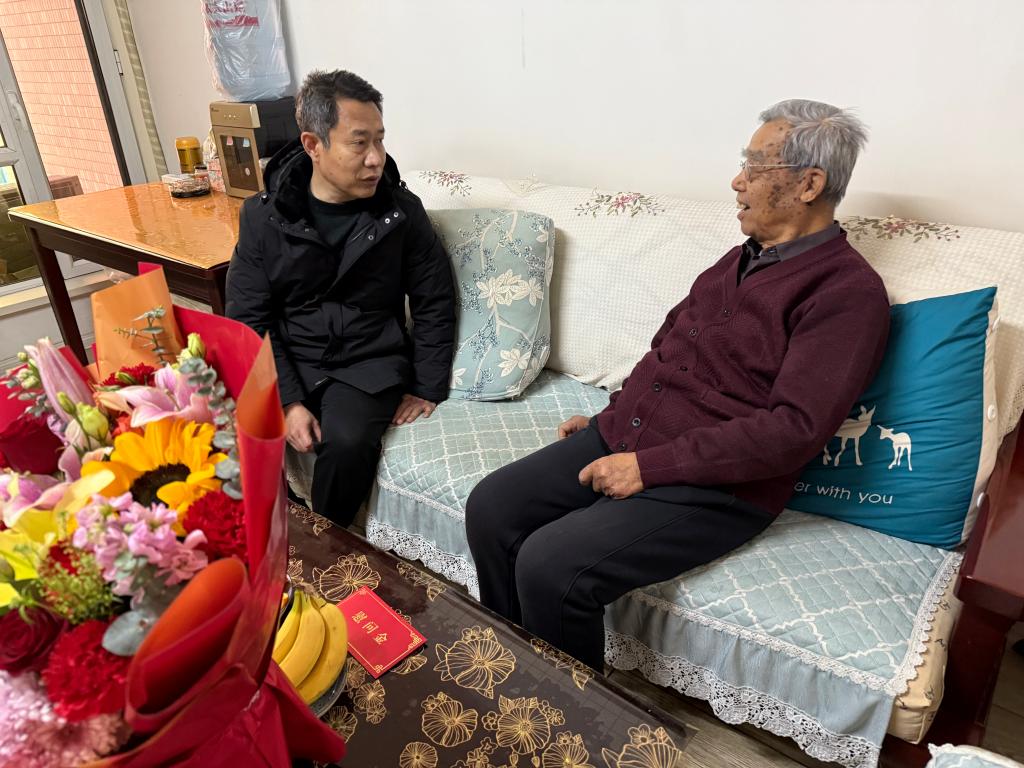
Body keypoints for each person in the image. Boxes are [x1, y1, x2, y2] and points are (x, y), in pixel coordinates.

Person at [465, 99, 890, 670]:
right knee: (492, 507)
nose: (737, 181)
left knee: (550, 564)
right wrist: (613, 415)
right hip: (629, 436)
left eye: (754, 166)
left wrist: (648, 467)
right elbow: (668, 351)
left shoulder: (848, 293)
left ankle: (569, 714)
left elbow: (794, 431)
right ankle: (516, 668)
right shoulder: (736, 261)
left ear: (809, 184)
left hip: (719, 485)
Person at [226, 70, 455, 526]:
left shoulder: (400, 212)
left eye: (380, 140)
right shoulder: (264, 217)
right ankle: (252, 539)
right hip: (293, 352)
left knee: (348, 442)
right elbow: (248, 315)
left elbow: (435, 297)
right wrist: (287, 400)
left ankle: (324, 550)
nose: (375, 159)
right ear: (313, 144)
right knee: (219, 420)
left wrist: (426, 386)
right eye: (359, 143)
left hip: (367, 362)